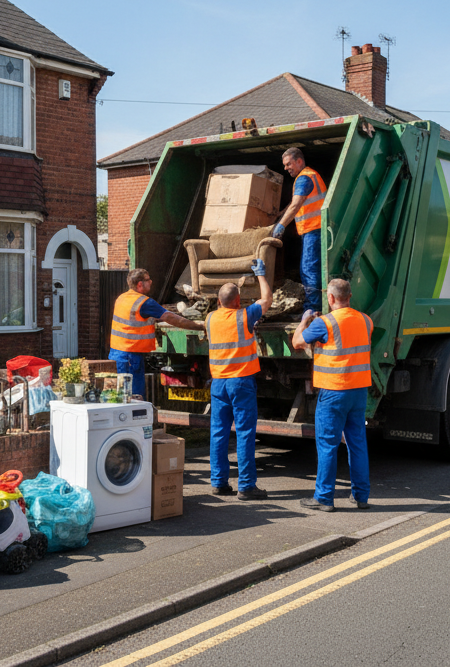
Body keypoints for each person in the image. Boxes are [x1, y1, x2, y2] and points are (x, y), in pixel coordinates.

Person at [291, 278, 372, 512]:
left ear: (331, 298)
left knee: (327, 445)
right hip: (358, 392)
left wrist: (305, 321)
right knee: (357, 443)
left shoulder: (324, 323)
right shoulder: (366, 321)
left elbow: (297, 342)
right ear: (350, 296)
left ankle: (324, 497)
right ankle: (361, 496)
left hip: (334, 391)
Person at [206, 260, 273, 500]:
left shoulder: (210, 319)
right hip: (241, 382)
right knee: (244, 433)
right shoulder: (245, 315)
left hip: (219, 383)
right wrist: (261, 275)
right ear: (238, 300)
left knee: (219, 432)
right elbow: (267, 300)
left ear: (217, 302)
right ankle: (246, 486)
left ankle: (219, 483)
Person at [110, 268, 205, 400]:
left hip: (117, 353)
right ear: (140, 284)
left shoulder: (121, 298)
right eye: (148, 280)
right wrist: (199, 326)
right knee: (134, 398)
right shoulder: (144, 302)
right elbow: (170, 318)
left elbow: (134, 318)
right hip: (131, 357)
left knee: (121, 397)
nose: (151, 282)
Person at [272, 147, 325, 312]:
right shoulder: (309, 176)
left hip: (314, 230)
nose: (286, 168)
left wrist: (282, 225)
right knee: (311, 269)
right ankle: (315, 305)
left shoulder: (304, 178)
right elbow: (296, 201)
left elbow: (296, 205)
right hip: (314, 230)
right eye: (285, 165)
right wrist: (280, 214)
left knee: (309, 270)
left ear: (299, 161)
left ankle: (313, 308)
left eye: (288, 164)